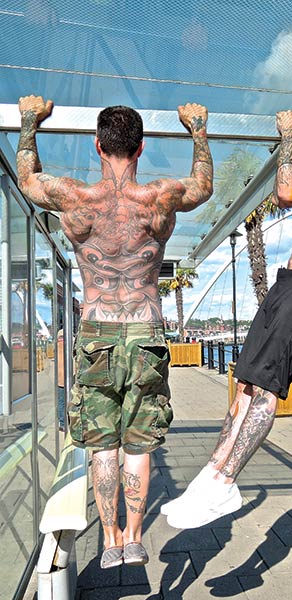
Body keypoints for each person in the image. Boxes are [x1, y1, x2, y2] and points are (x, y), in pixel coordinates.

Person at [16, 95, 213, 567]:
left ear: (97, 148)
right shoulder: (160, 198)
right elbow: (203, 185)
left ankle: (108, 540)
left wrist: (29, 120)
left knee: (103, 442)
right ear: (140, 148)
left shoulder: (75, 199)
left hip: (97, 330)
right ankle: (135, 536)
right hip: (145, 327)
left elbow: (26, 179)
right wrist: (197, 127)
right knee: (139, 442)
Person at [161, 100, 292, 529]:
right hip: (287, 286)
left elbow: (285, 192)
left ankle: (225, 482)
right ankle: (210, 477)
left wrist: (288, 137)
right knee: (244, 384)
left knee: (263, 391)